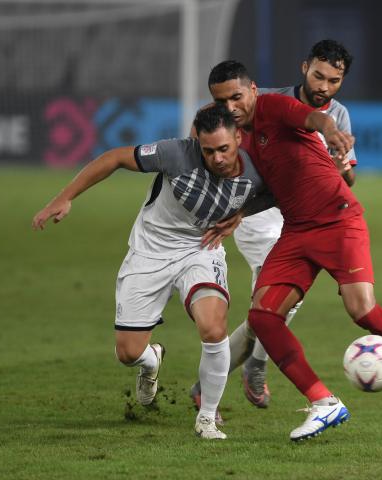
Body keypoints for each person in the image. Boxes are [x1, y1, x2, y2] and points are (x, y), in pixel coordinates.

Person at [205, 61, 382, 442]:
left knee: (361, 310)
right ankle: (324, 403)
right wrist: (239, 215)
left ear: (253, 90)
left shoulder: (273, 108)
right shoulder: (240, 138)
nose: (230, 106)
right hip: (297, 231)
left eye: (236, 96)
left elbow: (313, 118)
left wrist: (332, 130)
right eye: (221, 100)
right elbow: (276, 189)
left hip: (339, 219)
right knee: (263, 317)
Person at [32, 104, 273, 439]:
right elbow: (115, 157)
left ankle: (206, 418)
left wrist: (243, 213)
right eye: (208, 150)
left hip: (201, 250)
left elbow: (280, 194)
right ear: (197, 143)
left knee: (213, 326)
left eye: (223, 149)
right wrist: (65, 197)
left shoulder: (258, 169)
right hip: (150, 250)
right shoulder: (174, 153)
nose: (217, 157)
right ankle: (151, 361)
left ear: (238, 137)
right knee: (128, 352)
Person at [189, 40, 358, 415]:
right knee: (274, 307)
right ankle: (250, 366)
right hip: (260, 210)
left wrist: (342, 170)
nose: (323, 86)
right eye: (318, 75)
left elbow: (348, 182)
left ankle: (219, 378)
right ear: (304, 68)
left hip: (305, 213)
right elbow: (212, 116)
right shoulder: (264, 99)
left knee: (273, 310)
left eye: (334, 80)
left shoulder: (341, 116)